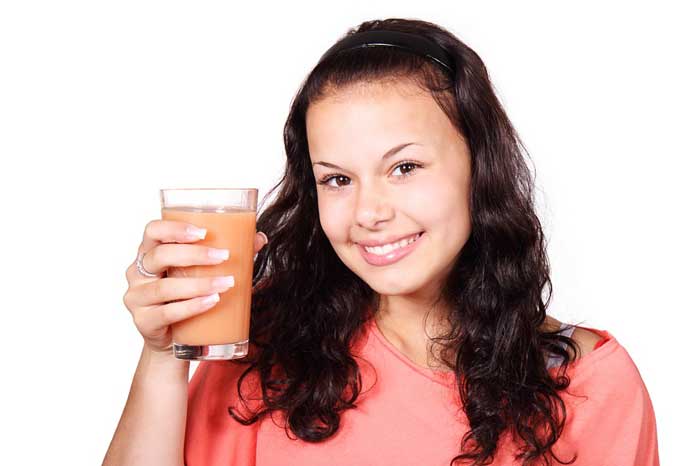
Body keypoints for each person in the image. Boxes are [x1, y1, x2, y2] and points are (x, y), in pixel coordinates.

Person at [103, 18, 660, 466]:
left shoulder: (589, 384)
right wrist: (161, 357)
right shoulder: (265, 351)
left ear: (480, 166)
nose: (369, 213)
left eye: (405, 167)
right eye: (338, 179)